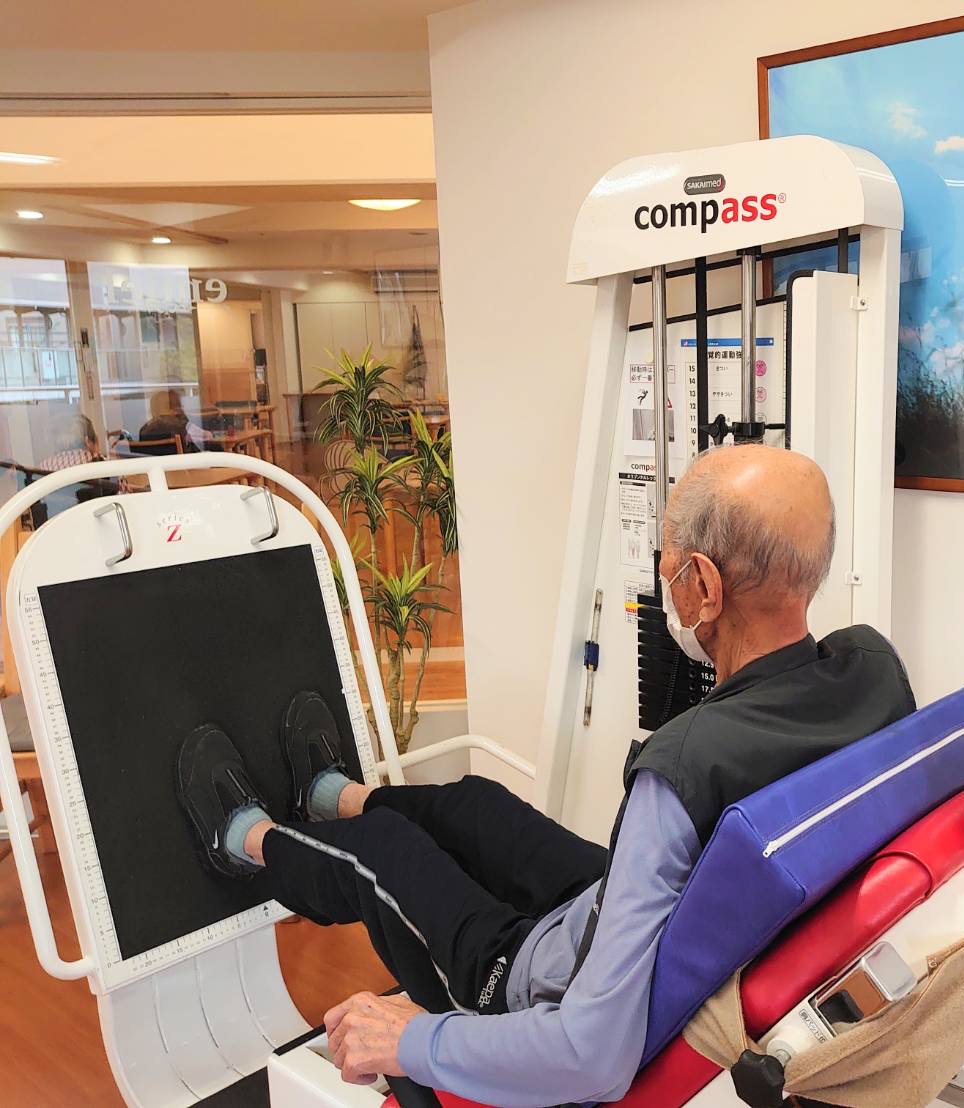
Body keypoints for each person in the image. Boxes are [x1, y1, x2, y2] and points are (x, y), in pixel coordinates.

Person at [173, 444, 916, 1106]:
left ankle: (244, 838)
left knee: (383, 852)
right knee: (479, 805)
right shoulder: (869, 672)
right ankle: (335, 795)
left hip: (528, 981)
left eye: (667, 560)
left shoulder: (685, 767)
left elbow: (590, 1055)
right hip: (643, 914)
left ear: (704, 586)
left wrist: (411, 1039)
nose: (662, 577)